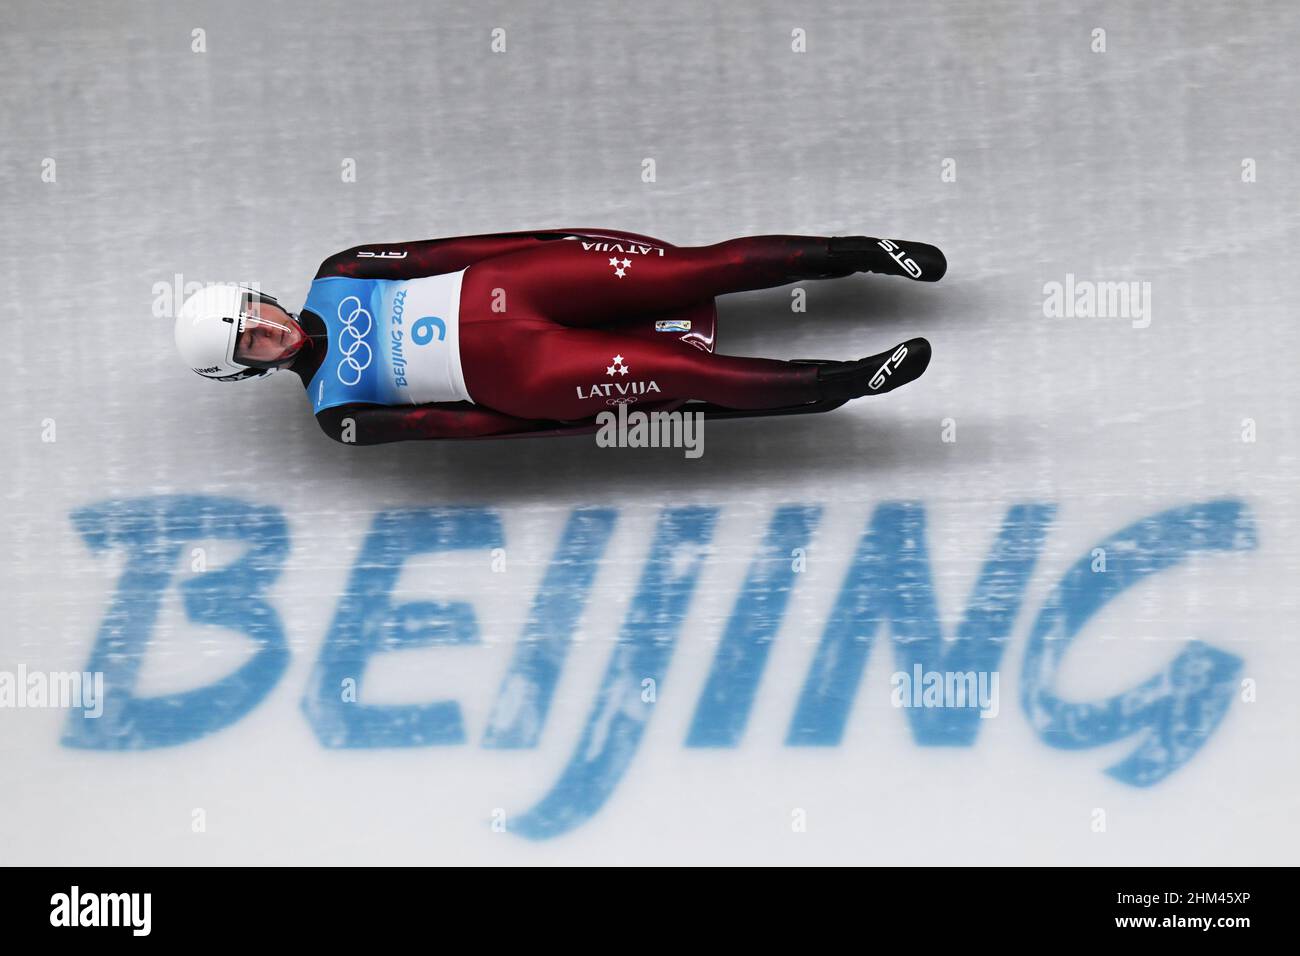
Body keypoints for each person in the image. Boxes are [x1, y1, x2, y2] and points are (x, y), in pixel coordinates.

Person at [174, 228, 946, 444]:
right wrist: (553, 419)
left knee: (691, 270)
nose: (268, 332)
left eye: (255, 314)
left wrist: (559, 241)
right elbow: (451, 426)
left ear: (263, 297)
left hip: (518, 280)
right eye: (251, 345)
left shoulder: (338, 269)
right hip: (525, 372)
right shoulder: (334, 413)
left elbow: (450, 254)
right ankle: (847, 380)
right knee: (684, 373)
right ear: (246, 370)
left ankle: (861, 255)